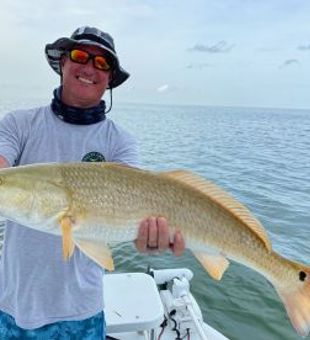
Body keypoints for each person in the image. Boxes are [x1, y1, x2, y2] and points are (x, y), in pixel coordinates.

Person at [0, 26, 185, 339]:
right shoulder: (18, 124)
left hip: (82, 313)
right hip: (12, 306)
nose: (89, 67)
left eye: (102, 63)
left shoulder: (121, 143)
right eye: (80, 55)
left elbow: (135, 217)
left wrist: (147, 238)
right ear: (63, 63)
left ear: (110, 78)